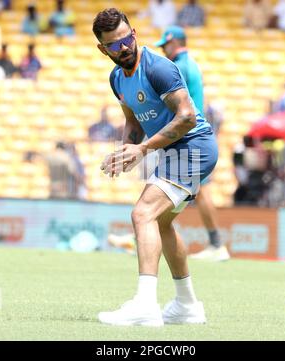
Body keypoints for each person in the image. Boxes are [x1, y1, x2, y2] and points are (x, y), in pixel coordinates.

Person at [93, 8, 218, 326]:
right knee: (161, 223)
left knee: (142, 214)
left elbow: (187, 118)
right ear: (102, 49)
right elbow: (132, 121)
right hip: (174, 152)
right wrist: (125, 150)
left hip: (194, 146)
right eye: (114, 44)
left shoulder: (159, 67)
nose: (123, 47)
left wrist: (144, 149)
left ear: (133, 33)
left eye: (126, 38)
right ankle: (187, 306)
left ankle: (145, 305)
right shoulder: (116, 78)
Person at [155, 26, 230, 261]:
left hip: (190, 137)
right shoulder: (190, 64)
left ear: (174, 43)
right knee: (195, 190)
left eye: (165, 45)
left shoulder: (180, 67)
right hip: (193, 136)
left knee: (189, 189)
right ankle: (216, 244)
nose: (163, 51)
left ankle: (217, 244)